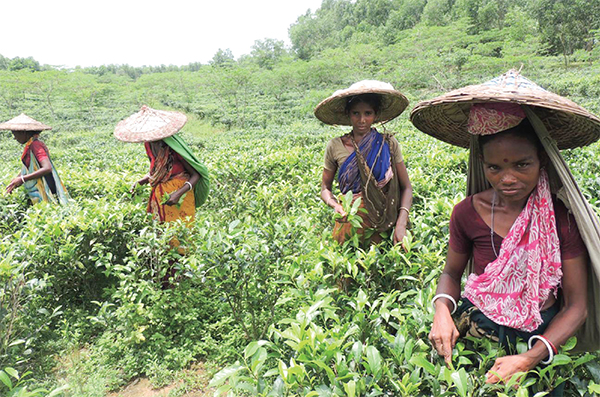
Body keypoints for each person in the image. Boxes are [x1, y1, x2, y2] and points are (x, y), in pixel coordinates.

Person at [410, 70, 600, 389]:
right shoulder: (467, 213)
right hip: (476, 327)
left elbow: (577, 306)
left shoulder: (560, 218)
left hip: (540, 338)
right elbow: (451, 273)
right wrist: (442, 309)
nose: (507, 179)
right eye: (494, 168)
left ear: (541, 160)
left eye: (521, 165)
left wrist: (528, 358)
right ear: (482, 164)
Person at [314, 80, 413, 246]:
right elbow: (325, 188)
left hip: (385, 223)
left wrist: (401, 223)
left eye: (368, 113)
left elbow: (407, 187)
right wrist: (335, 205)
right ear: (348, 114)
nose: (362, 119)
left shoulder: (387, 143)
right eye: (356, 113)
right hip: (349, 223)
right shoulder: (335, 146)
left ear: (376, 115)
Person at [114, 105, 209, 224]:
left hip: (180, 196)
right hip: (161, 196)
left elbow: (196, 175)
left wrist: (178, 194)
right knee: (161, 234)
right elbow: (156, 171)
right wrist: (143, 180)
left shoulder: (172, 146)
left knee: (180, 234)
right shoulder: (148, 145)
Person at [1, 113, 69, 205]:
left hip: (47, 187)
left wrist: (23, 179)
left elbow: (47, 168)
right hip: (41, 187)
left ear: (23, 132)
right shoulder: (31, 145)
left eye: (15, 134)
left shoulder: (35, 145)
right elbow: (29, 168)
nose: (14, 138)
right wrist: (17, 180)